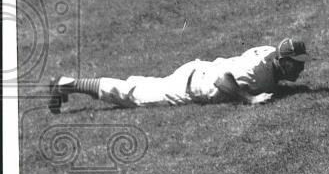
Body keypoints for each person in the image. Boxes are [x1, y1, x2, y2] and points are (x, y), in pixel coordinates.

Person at [47, 37, 309, 112]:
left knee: (141, 85)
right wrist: (249, 100)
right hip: (195, 84)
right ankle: (67, 84)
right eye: (297, 64)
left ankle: (68, 85)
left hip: (198, 69)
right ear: (283, 61)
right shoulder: (257, 71)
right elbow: (222, 79)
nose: (302, 68)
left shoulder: (268, 53)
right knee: (133, 95)